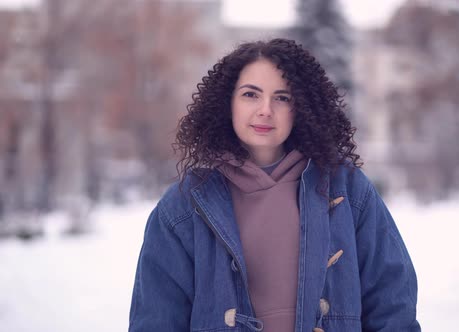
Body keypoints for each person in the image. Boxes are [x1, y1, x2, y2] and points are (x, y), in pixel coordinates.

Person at [128, 38, 420, 332]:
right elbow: (155, 319)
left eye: (282, 97)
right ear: (227, 102)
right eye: (250, 95)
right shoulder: (185, 205)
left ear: (301, 107)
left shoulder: (347, 191)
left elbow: (392, 305)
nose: (266, 110)